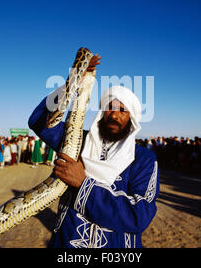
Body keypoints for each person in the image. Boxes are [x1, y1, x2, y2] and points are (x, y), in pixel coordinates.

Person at [28, 56, 159, 248]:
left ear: (133, 118)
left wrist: (83, 184)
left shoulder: (143, 159)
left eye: (122, 110)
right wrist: (73, 82)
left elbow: (138, 216)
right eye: (110, 108)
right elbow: (39, 121)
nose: (114, 115)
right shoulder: (78, 141)